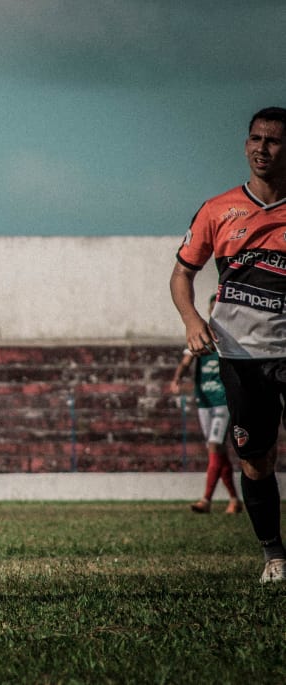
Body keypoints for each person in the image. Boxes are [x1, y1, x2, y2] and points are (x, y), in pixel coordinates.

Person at [170, 106, 286, 584]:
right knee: (255, 460)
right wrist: (191, 317)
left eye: (274, 141)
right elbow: (183, 273)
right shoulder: (218, 209)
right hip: (240, 357)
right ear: (245, 144)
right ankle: (274, 557)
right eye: (255, 139)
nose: (262, 148)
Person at [169, 295, 242, 515]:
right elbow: (186, 360)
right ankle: (234, 500)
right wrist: (176, 379)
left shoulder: (232, 337)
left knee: (213, 446)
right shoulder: (201, 333)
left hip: (223, 401)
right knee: (218, 451)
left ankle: (206, 499)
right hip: (204, 401)